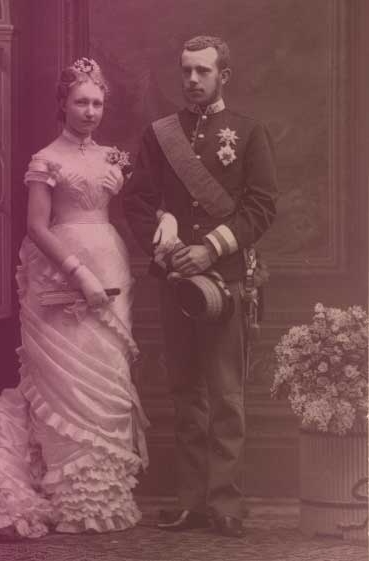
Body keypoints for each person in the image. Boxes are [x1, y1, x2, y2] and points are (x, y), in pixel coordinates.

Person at [0, 57, 149, 542]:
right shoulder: (46, 159)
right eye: (81, 102)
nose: (90, 111)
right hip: (64, 273)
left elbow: (139, 209)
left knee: (106, 378)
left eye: (97, 103)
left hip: (113, 265)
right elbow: (36, 228)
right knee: (67, 383)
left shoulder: (114, 158)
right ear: (63, 104)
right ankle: (68, 495)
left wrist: (138, 203)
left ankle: (103, 495)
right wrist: (78, 272)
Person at [123, 35, 278, 538]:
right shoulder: (159, 134)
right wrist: (162, 236)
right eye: (186, 70)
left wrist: (211, 247)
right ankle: (189, 501)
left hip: (226, 279)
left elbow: (261, 206)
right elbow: (138, 200)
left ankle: (225, 503)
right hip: (174, 279)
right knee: (185, 391)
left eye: (203, 71)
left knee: (227, 395)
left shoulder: (249, 132)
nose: (192, 79)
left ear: (223, 76)